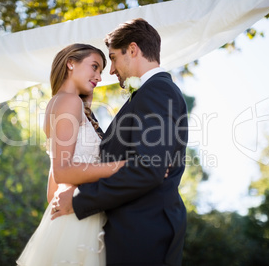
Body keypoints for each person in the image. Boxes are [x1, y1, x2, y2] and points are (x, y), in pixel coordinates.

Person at [53, 18, 189, 266]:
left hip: (145, 231)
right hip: (132, 231)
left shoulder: (157, 90)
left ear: (133, 50)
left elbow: (148, 168)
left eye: (113, 58)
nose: (111, 70)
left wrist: (79, 200)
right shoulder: (148, 94)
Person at [16, 43, 126, 266]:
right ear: (71, 63)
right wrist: (125, 166)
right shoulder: (69, 101)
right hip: (79, 224)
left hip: (68, 220)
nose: (99, 77)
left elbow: (52, 192)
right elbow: (63, 170)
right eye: (94, 67)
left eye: (101, 72)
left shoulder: (60, 103)